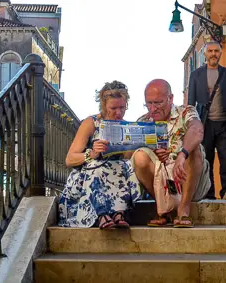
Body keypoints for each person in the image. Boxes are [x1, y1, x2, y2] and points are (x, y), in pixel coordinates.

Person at [58, 81, 140, 229]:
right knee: (97, 166)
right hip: (87, 176)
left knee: (124, 165)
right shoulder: (91, 123)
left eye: (122, 107)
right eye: (113, 108)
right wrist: (92, 153)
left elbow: (128, 158)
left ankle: (119, 213)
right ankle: (101, 214)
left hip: (115, 173)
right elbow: (69, 159)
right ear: (103, 105)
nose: (118, 113)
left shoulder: (127, 126)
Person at [132, 79, 210, 228]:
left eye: (158, 103)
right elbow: (130, 158)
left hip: (190, 179)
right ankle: (163, 207)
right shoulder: (143, 121)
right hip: (164, 182)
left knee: (195, 149)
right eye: (148, 103)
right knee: (140, 156)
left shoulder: (186, 111)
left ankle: (183, 209)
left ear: (171, 98)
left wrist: (182, 154)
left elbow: (197, 130)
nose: (152, 109)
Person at [188, 40, 226, 200]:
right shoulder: (196, 75)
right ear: (205, 54)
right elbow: (190, 103)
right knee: (207, 160)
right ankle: (209, 193)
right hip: (205, 125)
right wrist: (190, 126)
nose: (213, 54)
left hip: (225, 124)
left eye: (216, 51)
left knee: (225, 159)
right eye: (210, 51)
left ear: (220, 53)